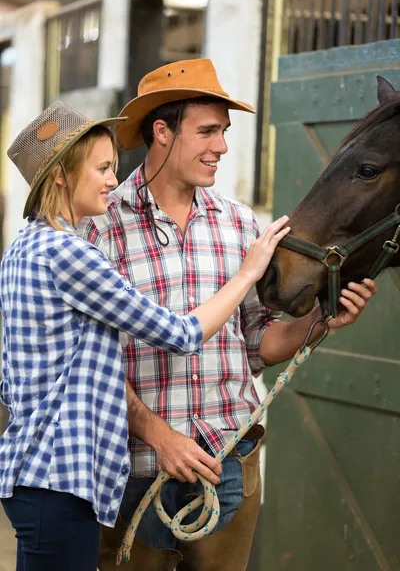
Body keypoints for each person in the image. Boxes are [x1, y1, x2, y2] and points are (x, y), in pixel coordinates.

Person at [81, 59, 378, 571]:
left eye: (224, 132)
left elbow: (258, 343)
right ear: (162, 132)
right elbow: (89, 359)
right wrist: (159, 435)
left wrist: (320, 324)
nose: (221, 145)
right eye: (207, 131)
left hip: (230, 464)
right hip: (131, 472)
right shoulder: (101, 227)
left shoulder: (241, 224)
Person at [0, 101, 291, 571]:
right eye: (101, 168)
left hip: (44, 473)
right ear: (60, 176)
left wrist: (318, 320)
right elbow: (178, 333)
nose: (113, 181)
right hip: (68, 475)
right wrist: (248, 272)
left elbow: (21, 375)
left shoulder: (23, 248)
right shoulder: (74, 249)